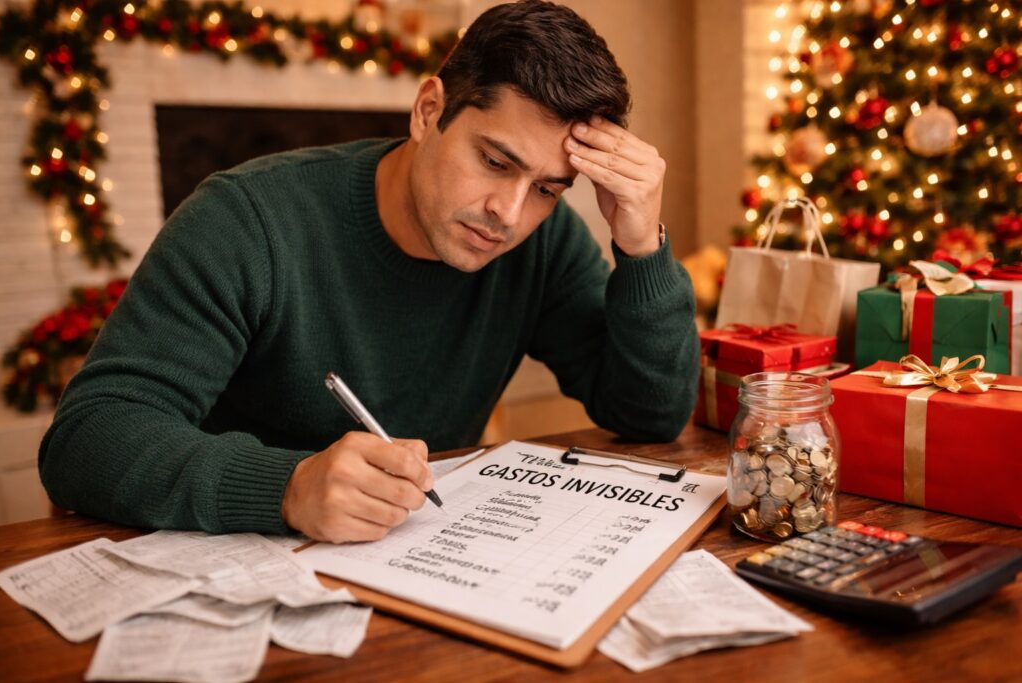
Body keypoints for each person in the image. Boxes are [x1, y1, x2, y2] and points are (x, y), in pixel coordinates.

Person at [39, 0, 699, 544]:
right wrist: (287, 486)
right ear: (428, 110)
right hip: (226, 566)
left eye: (548, 189)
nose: (509, 212)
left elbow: (651, 415)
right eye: (496, 162)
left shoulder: (543, 241)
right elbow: (87, 438)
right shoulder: (246, 219)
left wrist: (642, 246)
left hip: (415, 567)